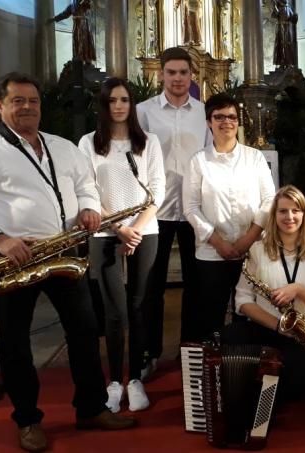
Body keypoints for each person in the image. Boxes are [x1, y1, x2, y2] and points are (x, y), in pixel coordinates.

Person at [0, 72, 135, 453]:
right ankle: (28, 420)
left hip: (63, 253)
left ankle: (91, 409)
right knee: (16, 344)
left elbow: (87, 188)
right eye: (18, 101)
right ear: (0, 106)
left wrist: (89, 210)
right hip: (16, 259)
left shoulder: (63, 147)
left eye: (33, 101)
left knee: (84, 333)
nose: (28, 107)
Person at [78, 78, 166, 413]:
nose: (119, 106)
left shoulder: (149, 142)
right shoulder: (88, 143)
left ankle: (136, 379)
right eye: (112, 100)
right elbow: (86, 191)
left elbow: (157, 189)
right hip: (104, 234)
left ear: (132, 105)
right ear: (103, 104)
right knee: (115, 312)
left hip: (146, 231)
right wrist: (118, 229)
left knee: (139, 305)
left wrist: (137, 230)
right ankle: (114, 381)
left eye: (125, 100)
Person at [137, 47, 209, 379]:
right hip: (155, 211)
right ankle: (148, 352)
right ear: (161, 74)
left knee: (196, 285)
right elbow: (132, 159)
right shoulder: (143, 112)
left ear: (191, 75)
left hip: (194, 210)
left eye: (183, 72)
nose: (178, 78)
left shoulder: (204, 112)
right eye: (171, 72)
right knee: (150, 285)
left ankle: (191, 351)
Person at [225, 185, 305, 400]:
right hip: (268, 327)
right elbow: (242, 300)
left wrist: (298, 290)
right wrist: (277, 326)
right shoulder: (257, 249)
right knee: (222, 342)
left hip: (304, 334)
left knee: (295, 386)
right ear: (274, 215)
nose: (290, 216)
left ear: (304, 214)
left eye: (296, 210)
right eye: (283, 211)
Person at [183, 92, 276, 340]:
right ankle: (213, 369)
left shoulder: (254, 158)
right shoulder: (198, 161)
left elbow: (269, 200)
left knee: (249, 315)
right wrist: (219, 242)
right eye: (219, 116)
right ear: (209, 122)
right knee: (211, 316)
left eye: (232, 116)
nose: (227, 122)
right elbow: (191, 207)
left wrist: (249, 238)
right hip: (212, 253)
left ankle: (244, 369)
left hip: (253, 250)